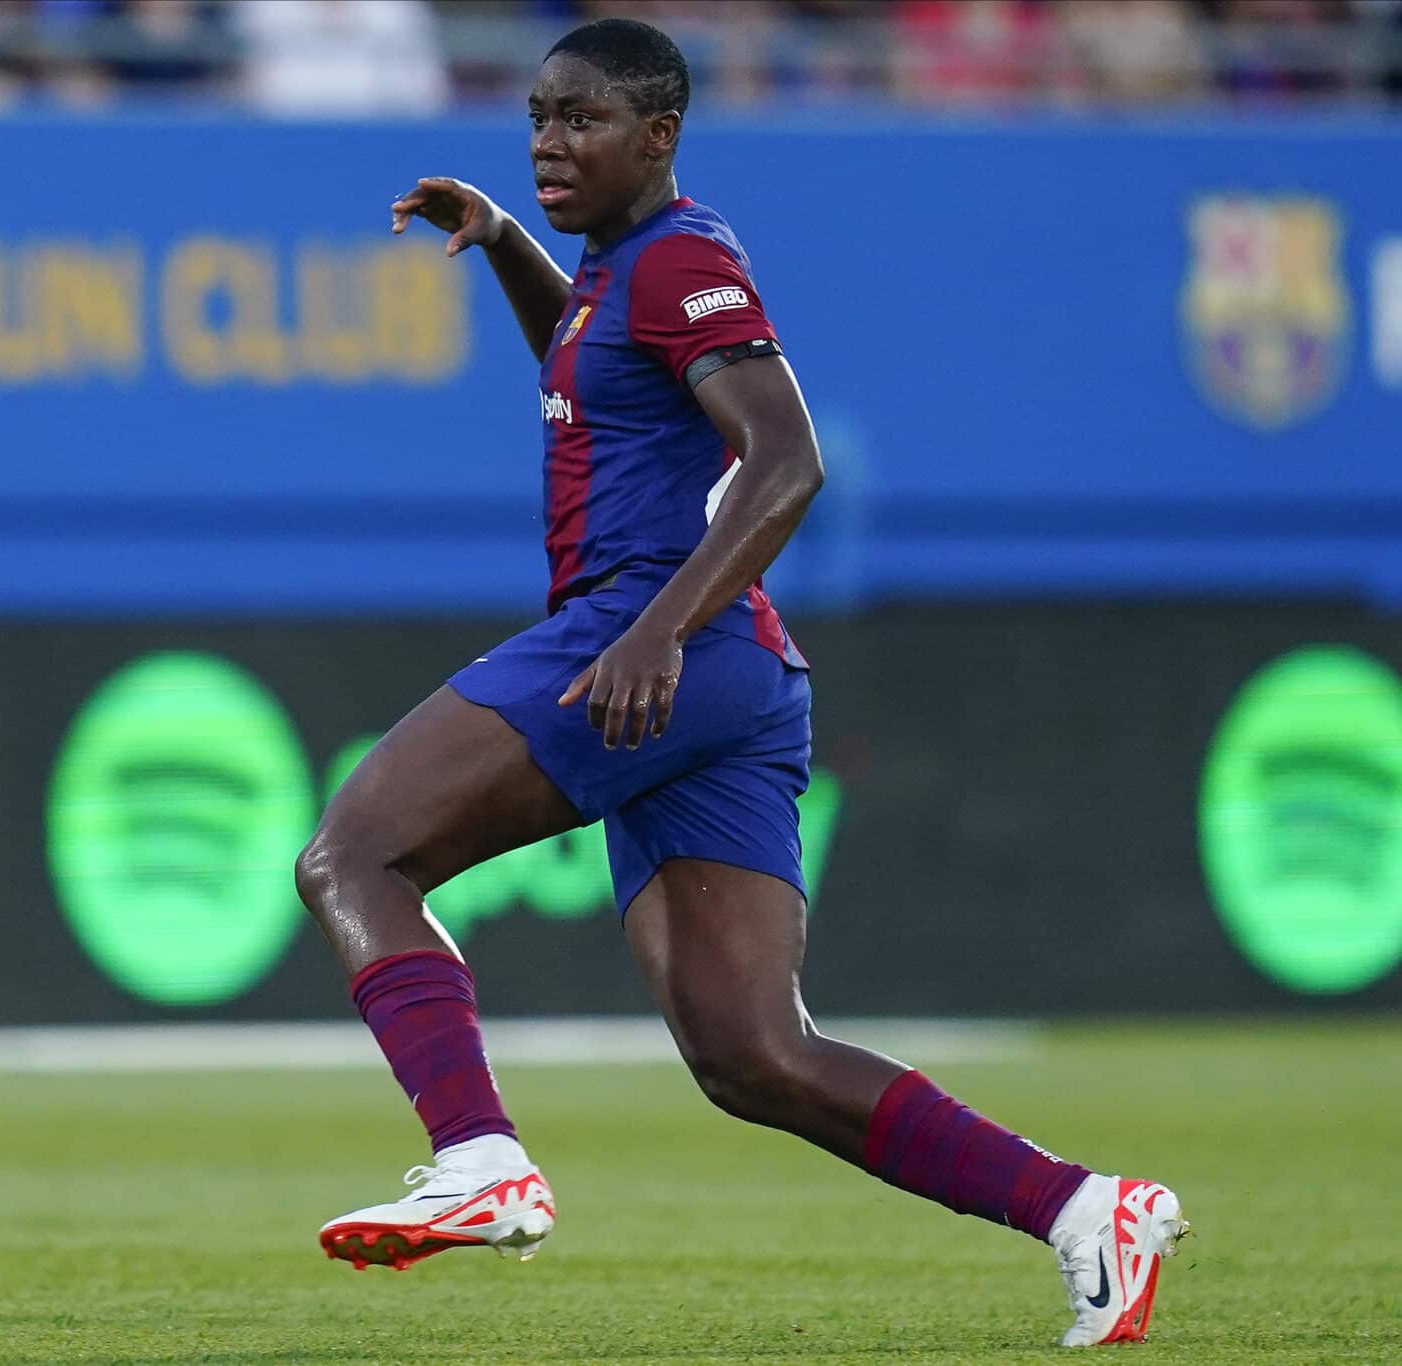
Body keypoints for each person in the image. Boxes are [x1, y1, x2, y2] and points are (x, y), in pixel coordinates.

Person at [294, 16, 1189, 1349]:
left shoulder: (684, 260)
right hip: (728, 675)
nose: (549, 139)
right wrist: (503, 243)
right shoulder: (615, 275)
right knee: (753, 1054)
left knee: (355, 853)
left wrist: (656, 630)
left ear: (659, 136)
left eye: (583, 119)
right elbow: (586, 356)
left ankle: (479, 1156)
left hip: (657, 639)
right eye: (538, 115)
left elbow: (787, 459)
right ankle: (1084, 1209)